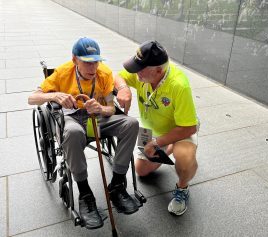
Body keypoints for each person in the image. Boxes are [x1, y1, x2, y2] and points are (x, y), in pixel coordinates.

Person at [28, 37, 139, 229]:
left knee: (131, 124)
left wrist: (101, 109)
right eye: (87, 62)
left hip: (98, 117)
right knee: (72, 132)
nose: (93, 67)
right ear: (74, 59)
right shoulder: (63, 73)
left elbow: (111, 108)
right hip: (72, 118)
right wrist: (54, 95)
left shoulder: (103, 74)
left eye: (96, 61)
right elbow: (32, 98)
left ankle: (117, 184)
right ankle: (85, 193)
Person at [114, 40, 199, 216]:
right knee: (141, 170)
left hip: (179, 129)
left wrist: (157, 142)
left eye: (141, 68)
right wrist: (124, 89)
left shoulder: (179, 85)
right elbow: (118, 76)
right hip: (151, 130)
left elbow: (189, 127)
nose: (135, 72)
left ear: (159, 71)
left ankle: (183, 188)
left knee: (184, 158)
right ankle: (167, 148)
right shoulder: (142, 75)